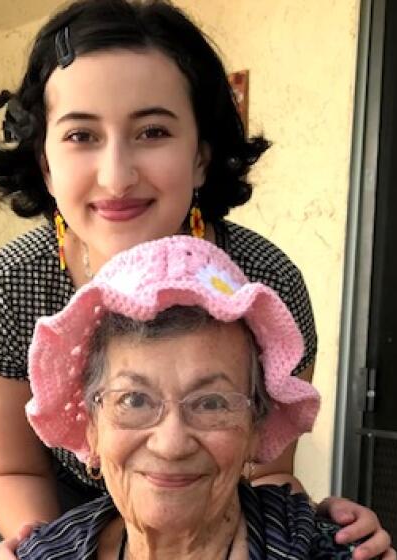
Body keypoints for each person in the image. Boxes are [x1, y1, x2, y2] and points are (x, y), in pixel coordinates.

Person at [0, 0, 395, 558]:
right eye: (81, 136)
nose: (116, 176)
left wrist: (327, 538)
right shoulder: (9, 289)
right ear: (45, 163)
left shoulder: (264, 283)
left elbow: (265, 470)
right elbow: (14, 468)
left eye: (153, 131)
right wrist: (56, 550)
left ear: (201, 158)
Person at [20, 235, 357, 559]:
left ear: (256, 427)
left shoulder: (330, 550)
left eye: (211, 403)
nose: (171, 444)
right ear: (93, 427)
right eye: (134, 400)